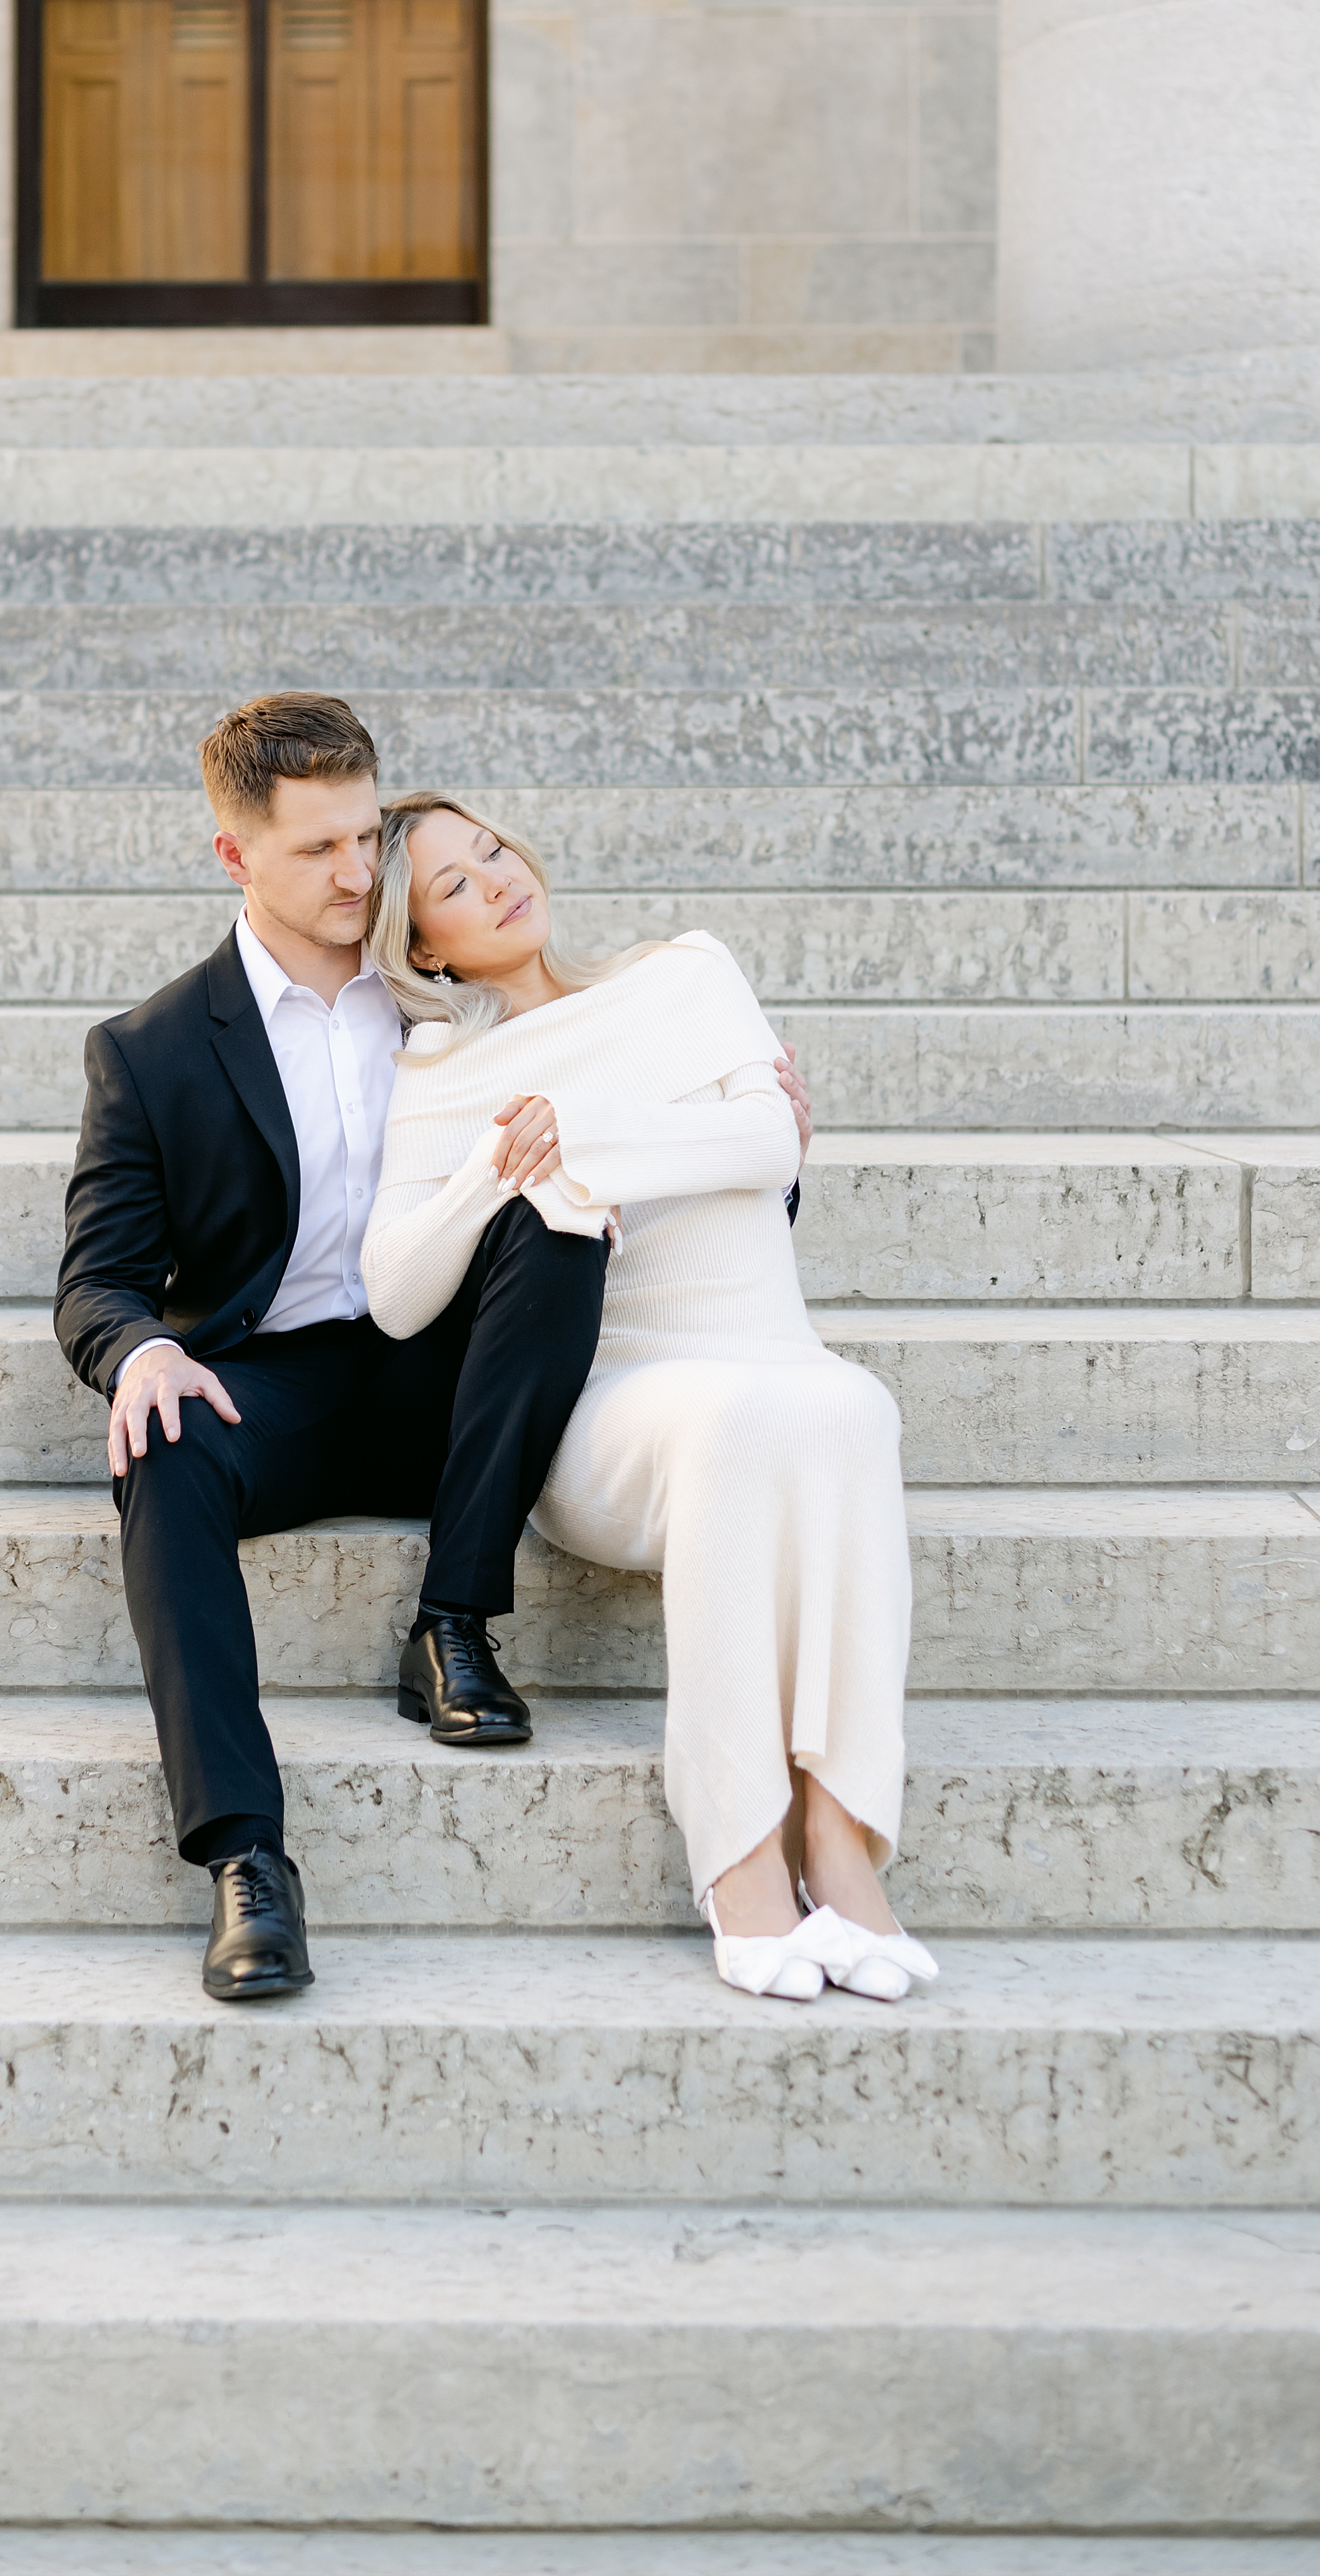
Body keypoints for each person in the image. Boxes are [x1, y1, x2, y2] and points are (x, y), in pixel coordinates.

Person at [53, 697, 612, 2006]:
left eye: (368, 836)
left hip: (456, 1373)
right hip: (282, 1382)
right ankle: (245, 1858)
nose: (362, 873)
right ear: (234, 856)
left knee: (554, 1215)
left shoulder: (449, 981)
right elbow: (98, 1281)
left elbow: (639, 1125)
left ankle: (452, 1624)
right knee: (160, 1443)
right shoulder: (150, 1051)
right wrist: (139, 1353)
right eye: (320, 849)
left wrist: (774, 1150)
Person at [360, 794, 936, 2006]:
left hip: (768, 1347)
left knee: (854, 1407)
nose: (497, 880)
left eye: (494, 850)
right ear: (425, 950)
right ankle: (740, 1858)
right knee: (729, 1423)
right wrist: (499, 1166)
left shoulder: (686, 972)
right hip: (617, 1404)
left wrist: (585, 1132)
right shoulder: (444, 1067)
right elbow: (398, 1294)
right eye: (455, 885)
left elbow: (768, 1143)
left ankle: (840, 1841)